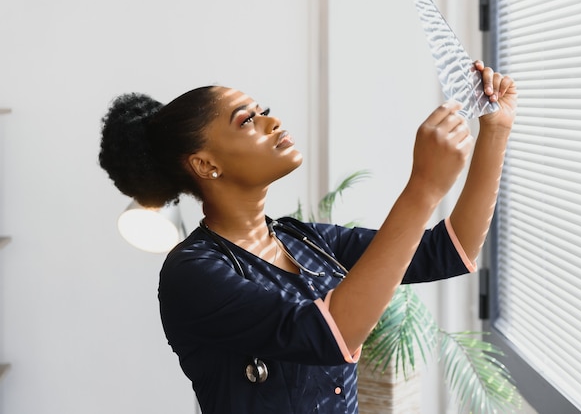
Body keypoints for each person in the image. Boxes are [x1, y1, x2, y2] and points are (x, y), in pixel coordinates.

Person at [99, 60, 516, 414]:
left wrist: (494, 131)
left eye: (263, 110)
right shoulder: (192, 273)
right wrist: (423, 188)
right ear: (206, 164)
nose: (272, 120)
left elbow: (446, 251)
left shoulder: (303, 240)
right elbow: (327, 334)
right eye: (247, 120)